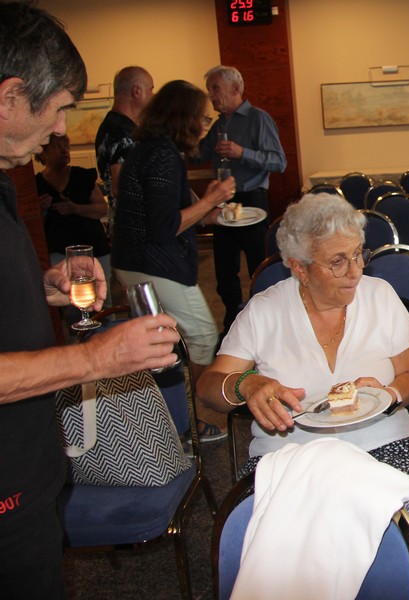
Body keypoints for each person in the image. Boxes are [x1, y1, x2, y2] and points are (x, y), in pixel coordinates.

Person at [0, 4, 179, 598]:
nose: (60, 131)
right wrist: (96, 359)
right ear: (10, 97)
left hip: (28, 474)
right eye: (58, 110)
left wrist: (42, 285)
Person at [196, 193, 409, 486]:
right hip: (290, 449)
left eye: (358, 254)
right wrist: (244, 384)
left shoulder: (380, 295)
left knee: (385, 495)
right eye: (338, 262)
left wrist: (390, 394)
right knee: (293, 504)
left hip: (382, 438)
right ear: (300, 268)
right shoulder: (264, 311)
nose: (355, 272)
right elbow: (207, 389)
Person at [112, 80, 235, 441]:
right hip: (153, 263)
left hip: (134, 261)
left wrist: (206, 216)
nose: (204, 126)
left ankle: (172, 425)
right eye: (202, 118)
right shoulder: (163, 154)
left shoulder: (149, 149)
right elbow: (164, 227)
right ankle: (195, 419)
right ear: (184, 118)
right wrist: (210, 200)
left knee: (161, 345)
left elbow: (163, 214)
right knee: (202, 335)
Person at [198, 65, 287, 333]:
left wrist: (242, 152)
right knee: (224, 271)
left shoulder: (259, 119)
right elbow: (198, 154)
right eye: (209, 90)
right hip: (223, 201)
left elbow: (279, 162)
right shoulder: (218, 125)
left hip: (252, 200)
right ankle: (233, 325)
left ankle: (267, 323)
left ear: (236, 88)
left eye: (215, 88)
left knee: (258, 266)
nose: (211, 95)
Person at [35, 133, 112, 304]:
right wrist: (41, 210)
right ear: (42, 153)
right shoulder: (35, 184)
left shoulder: (81, 176)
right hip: (58, 252)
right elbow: (32, 225)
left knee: (101, 300)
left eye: (66, 146)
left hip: (94, 249)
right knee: (70, 300)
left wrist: (75, 209)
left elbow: (102, 208)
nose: (64, 150)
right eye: (57, 146)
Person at [94, 66, 154, 234]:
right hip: (134, 227)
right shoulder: (120, 130)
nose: (153, 95)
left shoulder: (118, 125)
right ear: (137, 91)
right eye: (151, 89)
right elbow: (120, 186)